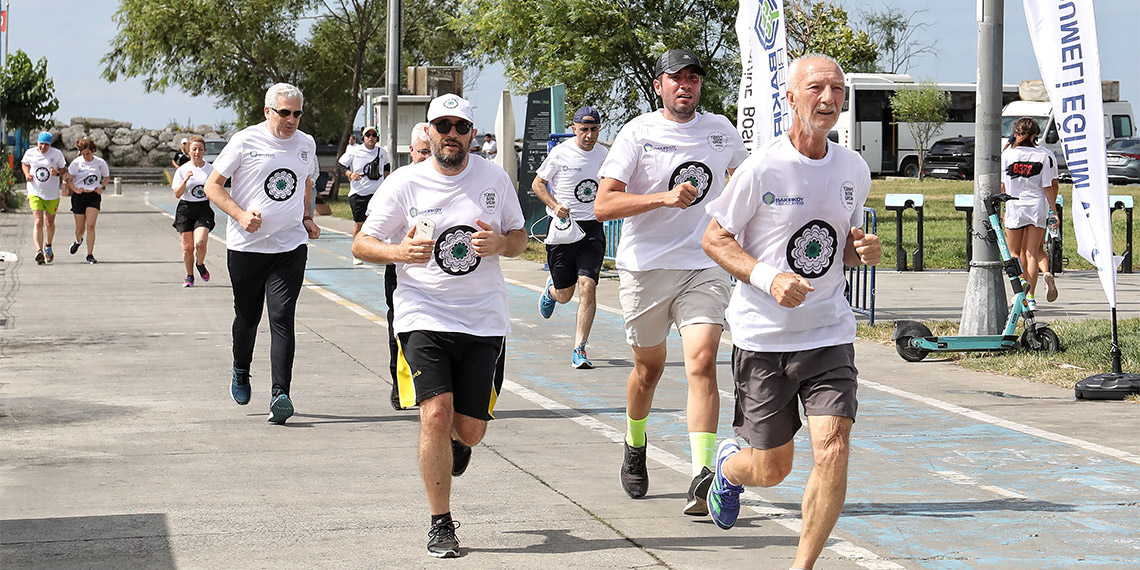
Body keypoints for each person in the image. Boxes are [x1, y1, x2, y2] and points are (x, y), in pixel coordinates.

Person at [700, 54, 881, 570]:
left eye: (837, 90)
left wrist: (862, 251)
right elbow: (715, 238)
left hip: (828, 332)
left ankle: (802, 565)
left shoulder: (853, 168)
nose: (828, 99)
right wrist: (767, 277)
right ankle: (730, 470)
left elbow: (839, 246)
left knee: (834, 448)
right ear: (791, 98)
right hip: (763, 338)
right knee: (772, 469)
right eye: (816, 88)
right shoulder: (762, 167)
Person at [352, 94, 526, 558]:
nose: (451, 133)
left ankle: (458, 443)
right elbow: (362, 244)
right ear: (428, 133)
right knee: (434, 412)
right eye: (442, 125)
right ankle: (441, 523)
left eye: (460, 126)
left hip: (483, 319)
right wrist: (397, 253)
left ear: (472, 134)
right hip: (422, 313)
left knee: (468, 430)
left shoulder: (493, 179)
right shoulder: (404, 183)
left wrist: (501, 244)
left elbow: (520, 238)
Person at [594, 49, 749, 516]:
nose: (685, 85)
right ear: (659, 85)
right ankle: (635, 441)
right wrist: (663, 198)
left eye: (693, 78)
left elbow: (746, 180)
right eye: (676, 78)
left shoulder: (720, 130)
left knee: (702, 362)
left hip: (703, 264)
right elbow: (603, 206)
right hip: (645, 267)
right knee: (649, 369)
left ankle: (702, 476)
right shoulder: (637, 132)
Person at [204, 83, 320, 425]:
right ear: (268, 111)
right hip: (247, 248)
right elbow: (213, 185)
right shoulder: (244, 140)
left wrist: (307, 217)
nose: (292, 120)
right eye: (285, 112)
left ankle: (280, 394)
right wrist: (240, 215)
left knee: (282, 318)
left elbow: (307, 182)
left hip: (289, 246)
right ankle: (241, 369)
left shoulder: (306, 144)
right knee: (248, 318)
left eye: (297, 113)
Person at [533, 105, 608, 368]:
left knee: (588, 285)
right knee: (566, 295)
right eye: (584, 129)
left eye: (594, 129)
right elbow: (538, 184)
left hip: (592, 230)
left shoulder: (605, 155)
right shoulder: (560, 154)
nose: (589, 135)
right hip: (564, 229)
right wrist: (554, 206)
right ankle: (552, 291)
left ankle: (580, 348)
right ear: (574, 129)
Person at [366, 122, 432, 411]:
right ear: (410, 151)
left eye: (432, 152)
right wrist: (398, 250)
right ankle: (401, 386)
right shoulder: (399, 180)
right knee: (401, 329)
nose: (427, 159)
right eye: (422, 153)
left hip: (443, 273)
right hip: (402, 270)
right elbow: (371, 231)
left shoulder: (453, 178)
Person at [1002, 117, 1060, 308]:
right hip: (1036, 207)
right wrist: (1053, 211)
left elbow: (1002, 184)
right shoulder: (1043, 156)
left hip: (1014, 206)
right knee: (1032, 253)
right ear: (1036, 135)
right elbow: (1048, 186)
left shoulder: (1008, 155)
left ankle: (1021, 288)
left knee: (1014, 253)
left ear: (1016, 133)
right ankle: (1032, 297)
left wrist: (1002, 207)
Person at [338, 125, 390, 265]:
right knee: (359, 224)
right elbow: (341, 165)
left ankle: (377, 252)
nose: (371, 138)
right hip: (359, 193)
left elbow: (386, 166)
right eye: (368, 135)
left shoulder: (382, 152)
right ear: (363, 137)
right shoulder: (355, 151)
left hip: (376, 194)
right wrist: (350, 174)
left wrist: (386, 181)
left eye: (373, 135)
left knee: (378, 223)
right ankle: (357, 252)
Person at [171, 135, 216, 287]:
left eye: (200, 149)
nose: (197, 152)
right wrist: (185, 180)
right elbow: (177, 193)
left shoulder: (210, 169)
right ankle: (189, 276)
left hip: (203, 208)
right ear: (189, 151)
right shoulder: (182, 170)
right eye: (194, 149)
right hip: (185, 208)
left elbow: (216, 190)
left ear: (204, 151)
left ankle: (200, 264)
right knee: (187, 248)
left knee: (200, 243)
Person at [21, 132, 67, 265]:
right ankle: (38, 251)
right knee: (38, 221)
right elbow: (25, 164)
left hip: (52, 194)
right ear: (37, 143)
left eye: (46, 145)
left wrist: (56, 172)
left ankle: (48, 245)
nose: (43, 147)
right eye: (41, 144)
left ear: (50, 145)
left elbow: (63, 170)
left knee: (49, 223)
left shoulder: (57, 154)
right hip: (35, 191)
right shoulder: (30, 153)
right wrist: (26, 174)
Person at [65, 137, 110, 264]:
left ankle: (90, 254)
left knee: (90, 225)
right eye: (83, 154)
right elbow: (68, 180)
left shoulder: (100, 163)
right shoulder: (76, 163)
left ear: (93, 151)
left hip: (93, 196)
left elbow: (106, 177)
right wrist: (75, 189)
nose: (85, 156)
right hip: (79, 197)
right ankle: (78, 240)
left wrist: (102, 187)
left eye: (88, 153)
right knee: (80, 228)